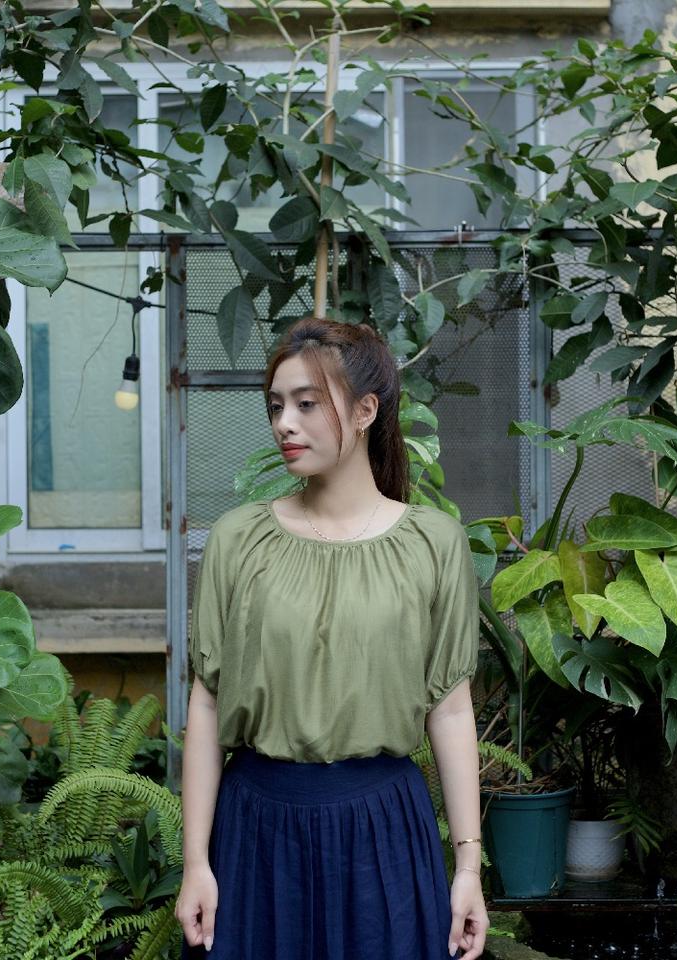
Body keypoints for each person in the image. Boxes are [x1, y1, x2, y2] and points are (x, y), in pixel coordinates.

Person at [175, 316, 489, 960]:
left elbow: (452, 710)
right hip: (256, 831)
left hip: (383, 830)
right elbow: (206, 703)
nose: (284, 424)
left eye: (307, 404)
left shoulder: (433, 543)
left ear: (366, 410)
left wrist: (468, 868)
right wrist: (196, 863)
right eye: (276, 406)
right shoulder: (238, 539)